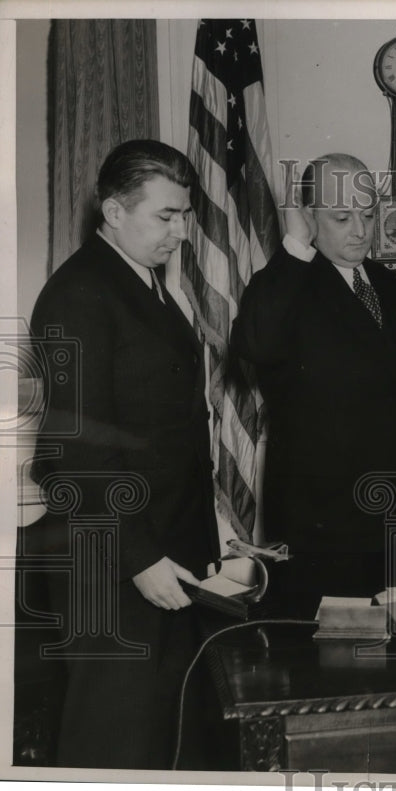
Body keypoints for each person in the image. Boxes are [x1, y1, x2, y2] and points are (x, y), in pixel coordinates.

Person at [27, 139, 218, 768]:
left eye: (185, 216)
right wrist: (141, 559)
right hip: (112, 564)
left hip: (165, 551)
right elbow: (78, 451)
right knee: (113, 745)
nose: (181, 233)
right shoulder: (78, 293)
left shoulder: (148, 287)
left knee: (169, 741)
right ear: (113, 211)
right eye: (166, 216)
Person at [231, 154, 396, 613]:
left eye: (368, 214)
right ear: (309, 217)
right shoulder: (288, 281)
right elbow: (253, 343)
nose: (360, 229)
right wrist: (296, 245)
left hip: (394, 513)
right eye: (341, 216)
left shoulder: (387, 284)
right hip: (320, 517)